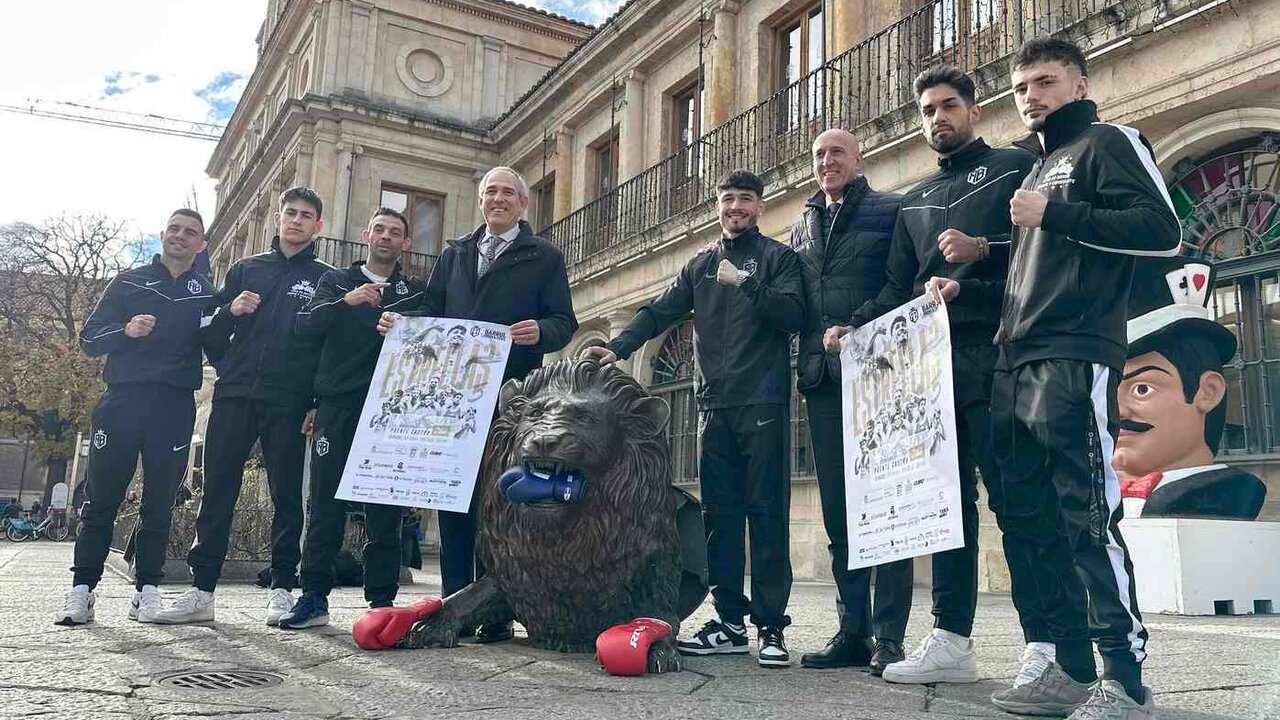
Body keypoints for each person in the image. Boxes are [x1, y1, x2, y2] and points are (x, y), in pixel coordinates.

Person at [931, 39, 1179, 719]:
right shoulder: (1038, 166)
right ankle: (1068, 669)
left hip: (1075, 351)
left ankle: (1124, 681)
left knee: (1087, 515)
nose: (1030, 96)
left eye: (1044, 82)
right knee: (1030, 517)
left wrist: (1055, 214)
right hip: (1015, 356)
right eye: (1020, 87)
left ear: (1079, 84)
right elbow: (1047, 248)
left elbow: (1163, 232)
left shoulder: (1108, 141)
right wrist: (987, 257)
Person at [827, 66, 1084, 686]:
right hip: (927, 375)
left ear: (973, 110)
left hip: (998, 358)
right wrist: (854, 326)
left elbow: (1037, 260)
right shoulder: (913, 199)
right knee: (943, 507)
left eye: (948, 106)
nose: (936, 117)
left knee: (1020, 503)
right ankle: (950, 639)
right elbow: (896, 286)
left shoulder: (1009, 170)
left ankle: (1045, 643)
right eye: (926, 110)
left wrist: (972, 274)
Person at [582, 169, 805, 668]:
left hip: (763, 404)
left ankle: (771, 627)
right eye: (728, 201)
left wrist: (746, 283)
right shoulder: (700, 266)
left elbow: (793, 316)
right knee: (718, 519)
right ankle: (729, 622)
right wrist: (616, 348)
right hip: (713, 408)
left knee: (767, 515)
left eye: (745, 200)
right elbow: (659, 312)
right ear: (718, 207)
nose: (735, 209)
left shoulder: (778, 258)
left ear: (759, 207)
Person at [377, 166, 577, 642]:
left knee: (497, 501)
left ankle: (496, 610)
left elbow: (563, 321)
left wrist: (541, 332)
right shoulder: (456, 253)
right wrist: (399, 323)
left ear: (523, 205)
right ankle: (454, 603)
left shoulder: (544, 257)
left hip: (511, 398)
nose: (498, 199)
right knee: (452, 498)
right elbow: (432, 307)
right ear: (481, 201)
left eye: (508, 192)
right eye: (491, 192)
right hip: (452, 397)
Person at [152, 187, 331, 625]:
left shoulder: (328, 278)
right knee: (217, 491)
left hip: (289, 401)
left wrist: (316, 401)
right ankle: (202, 590)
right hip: (234, 395)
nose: (297, 221)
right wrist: (231, 312)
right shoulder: (245, 268)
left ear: (318, 226)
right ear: (277, 219)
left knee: (287, 496)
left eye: (306, 215)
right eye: (290, 213)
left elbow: (328, 344)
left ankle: (283, 589)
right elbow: (208, 330)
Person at [787, 128, 913, 675]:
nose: (827, 161)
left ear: (859, 159)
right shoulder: (802, 224)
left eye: (837, 152)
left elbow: (901, 282)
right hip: (822, 381)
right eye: (819, 155)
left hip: (879, 373)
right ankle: (851, 630)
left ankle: (889, 636)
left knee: (885, 507)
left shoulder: (892, 210)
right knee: (840, 514)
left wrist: (857, 325)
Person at [56, 209, 213, 626]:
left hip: (175, 406)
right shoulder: (128, 281)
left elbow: (220, 344)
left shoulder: (205, 292)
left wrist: (234, 313)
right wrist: (124, 330)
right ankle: (82, 591)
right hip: (122, 401)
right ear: (163, 235)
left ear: (201, 245)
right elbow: (89, 339)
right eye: (175, 229)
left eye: (191, 233)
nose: (181, 236)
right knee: (101, 500)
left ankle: (148, 591)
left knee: (160, 503)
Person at [274, 208, 427, 629]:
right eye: (379, 229)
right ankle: (313, 597)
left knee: (385, 510)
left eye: (396, 232)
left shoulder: (414, 292)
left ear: (405, 243)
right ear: (366, 234)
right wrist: (347, 301)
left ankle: (381, 602)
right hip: (337, 405)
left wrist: (407, 324)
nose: (386, 237)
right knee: (325, 503)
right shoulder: (335, 281)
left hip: (391, 411)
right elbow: (303, 327)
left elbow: (435, 337)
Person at [1115, 258, 1266, 520]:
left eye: (1142, 389)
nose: (1117, 410)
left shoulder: (1219, 496)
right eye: (1107, 391)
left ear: (1207, 392)